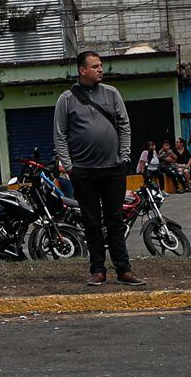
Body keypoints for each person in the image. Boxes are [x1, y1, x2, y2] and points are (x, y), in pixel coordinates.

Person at [53, 49, 143, 287]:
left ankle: (123, 270)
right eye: (95, 66)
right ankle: (97, 270)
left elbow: (125, 125)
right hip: (83, 172)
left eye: (101, 66)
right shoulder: (67, 99)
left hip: (113, 169)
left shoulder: (112, 94)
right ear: (82, 70)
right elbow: (60, 135)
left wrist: (124, 157)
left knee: (115, 220)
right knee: (92, 222)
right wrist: (70, 166)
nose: (100, 70)